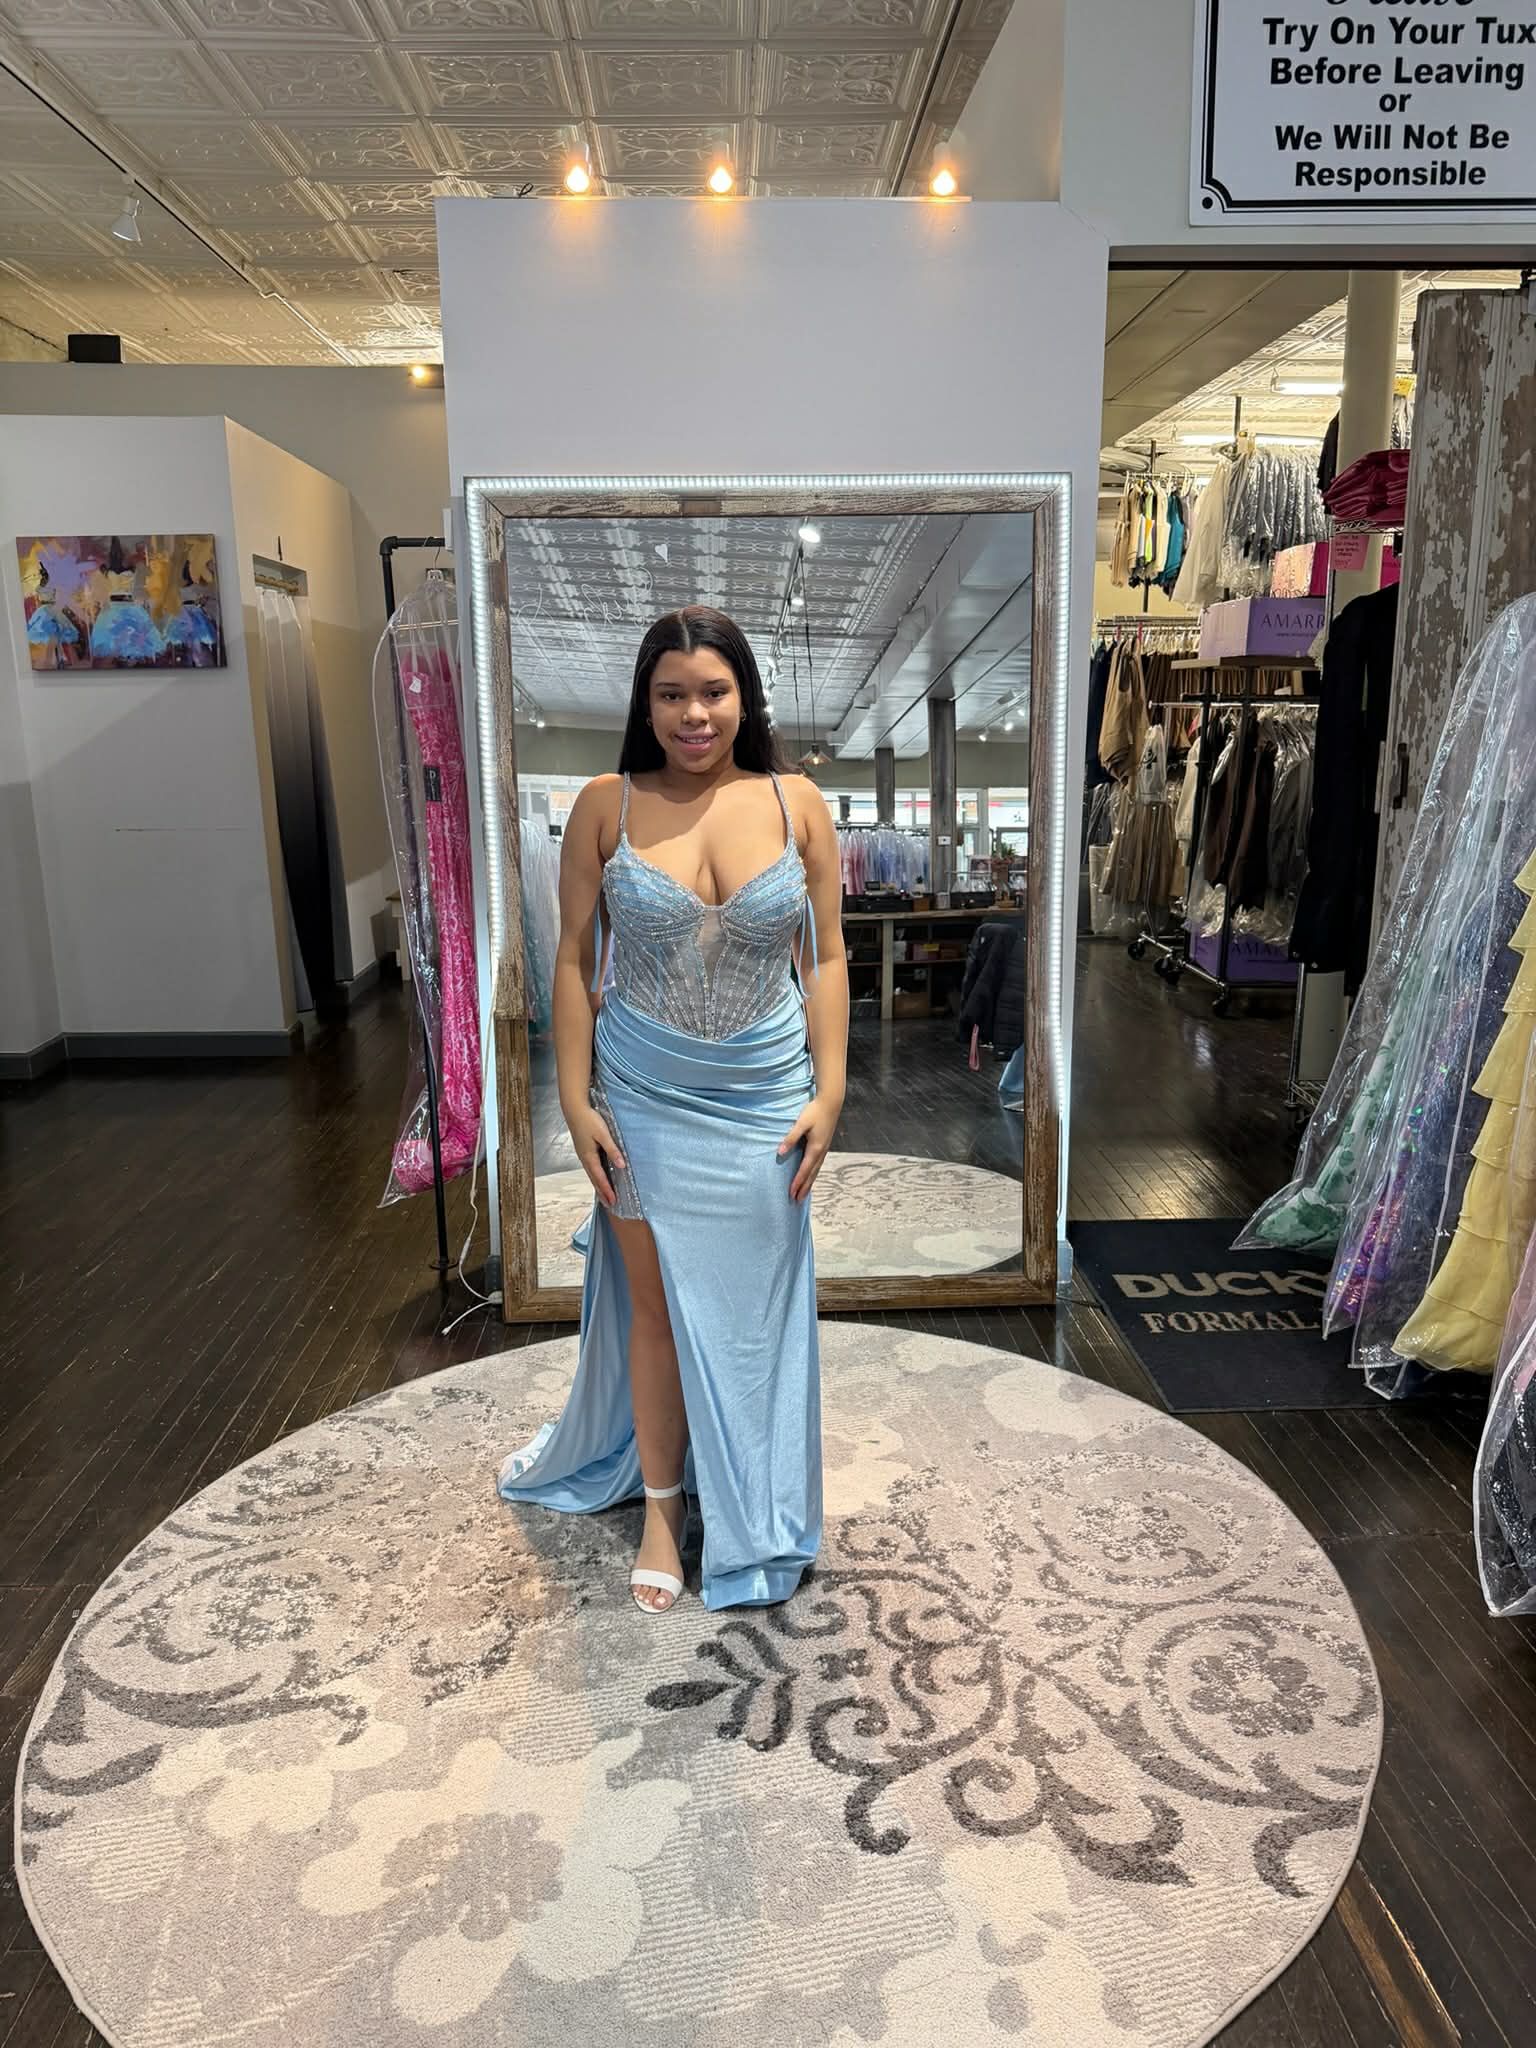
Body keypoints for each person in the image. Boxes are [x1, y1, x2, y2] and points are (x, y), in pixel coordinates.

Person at [496, 604, 848, 1614]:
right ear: (645, 704)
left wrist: (832, 1089)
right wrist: (574, 1097)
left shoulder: (797, 804)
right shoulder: (607, 802)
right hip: (642, 1094)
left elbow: (824, 956)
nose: (693, 713)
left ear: (744, 696)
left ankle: (755, 1499)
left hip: (764, 1095)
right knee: (654, 1313)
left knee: (757, 1313)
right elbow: (569, 958)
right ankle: (661, 1507)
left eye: (713, 691)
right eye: (670, 693)